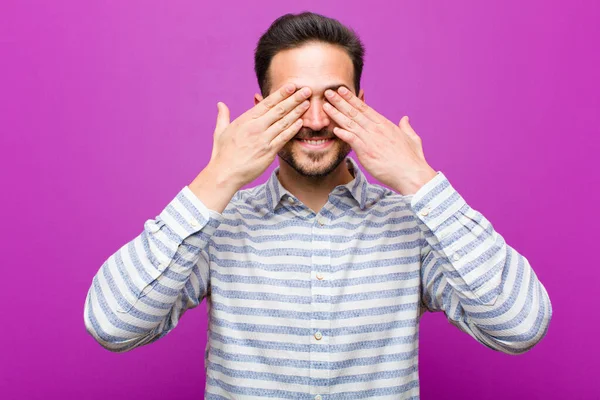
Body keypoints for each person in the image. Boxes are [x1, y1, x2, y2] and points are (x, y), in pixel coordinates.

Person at [83, 11, 552, 399]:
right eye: (293, 100)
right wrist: (219, 175)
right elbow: (111, 324)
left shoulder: (412, 223)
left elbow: (521, 325)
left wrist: (417, 178)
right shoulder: (218, 223)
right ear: (260, 107)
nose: (314, 119)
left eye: (334, 98)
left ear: (363, 106)